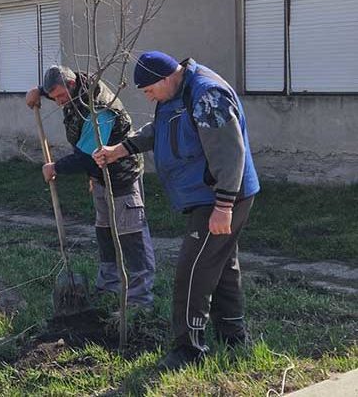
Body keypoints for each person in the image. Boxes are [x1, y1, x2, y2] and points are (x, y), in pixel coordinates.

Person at [93, 51, 260, 371]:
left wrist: (224, 205)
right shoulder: (176, 93)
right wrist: (120, 150)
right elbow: (162, 128)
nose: (147, 96)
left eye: (149, 90)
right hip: (207, 194)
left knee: (192, 269)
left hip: (220, 195)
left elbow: (230, 153)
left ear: (166, 77)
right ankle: (233, 336)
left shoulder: (207, 96)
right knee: (221, 264)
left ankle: (189, 348)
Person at [26, 65, 156, 310]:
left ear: (72, 85)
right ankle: (109, 286)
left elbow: (87, 157)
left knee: (131, 235)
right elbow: (55, 89)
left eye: (60, 97)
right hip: (99, 175)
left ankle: (140, 300)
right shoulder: (70, 88)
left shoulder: (99, 108)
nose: (58, 103)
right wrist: (37, 92)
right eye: (54, 98)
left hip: (121, 176)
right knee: (104, 232)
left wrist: (55, 168)